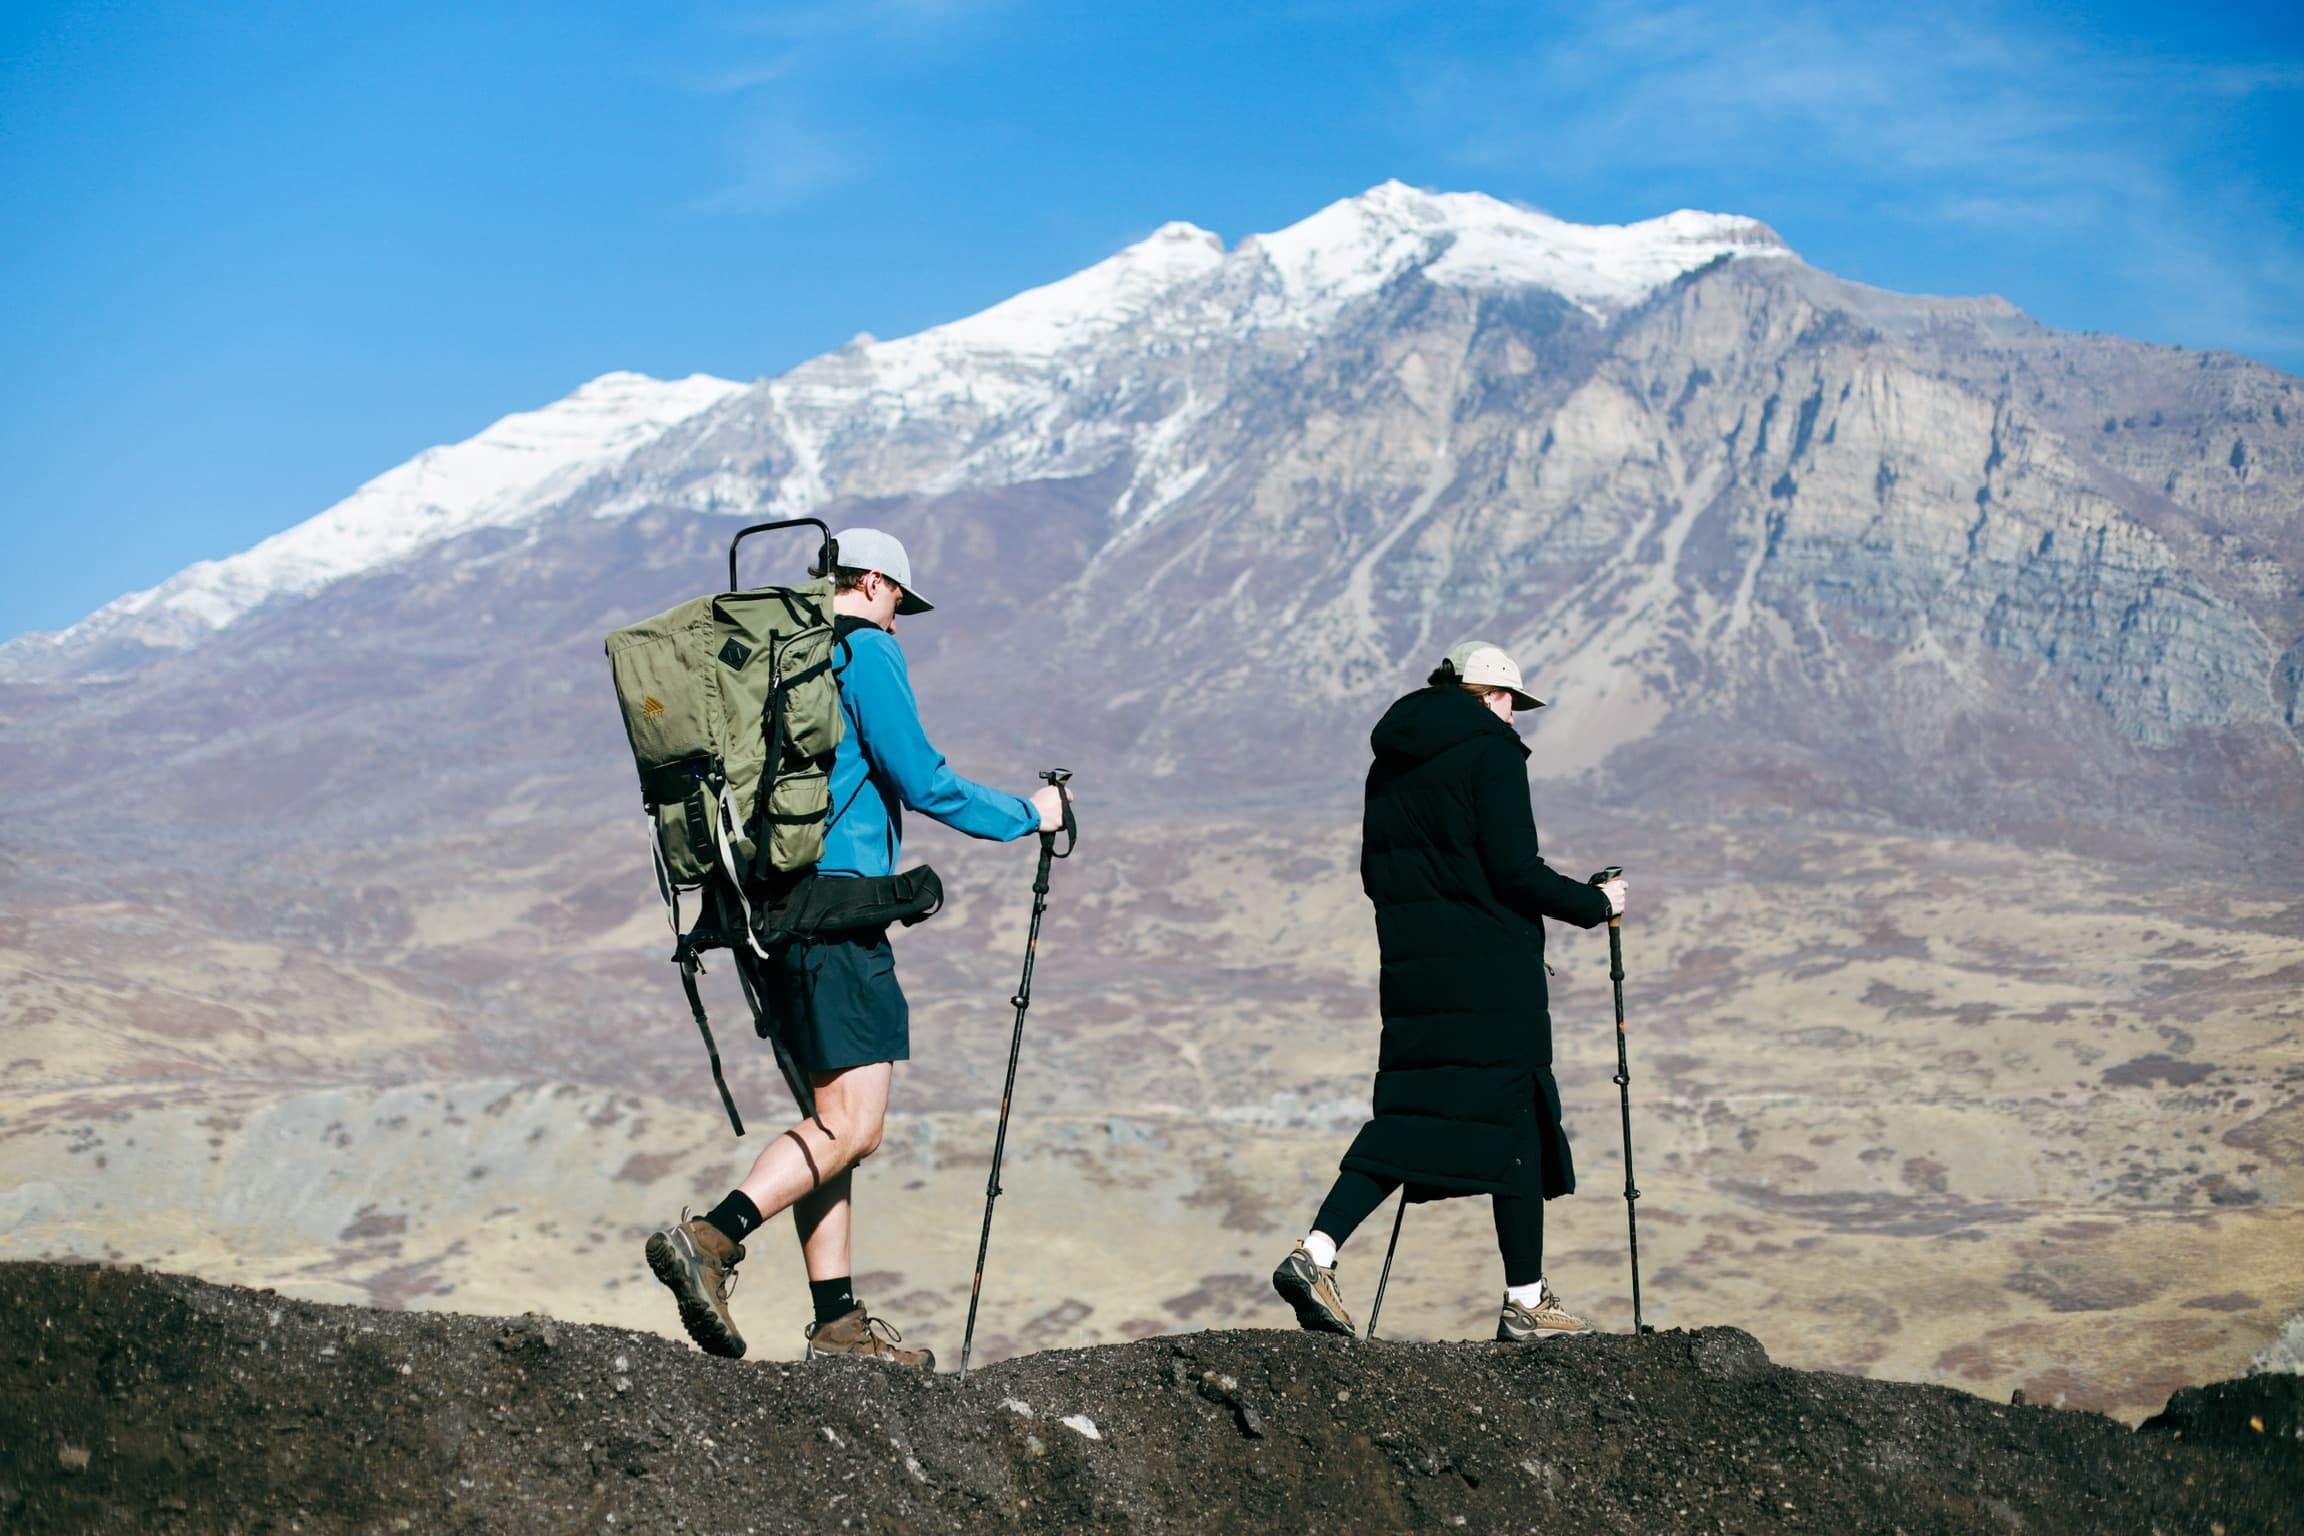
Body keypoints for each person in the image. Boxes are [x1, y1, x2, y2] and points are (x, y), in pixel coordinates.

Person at [645, 527, 1068, 1368]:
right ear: (872, 582)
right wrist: (1031, 815)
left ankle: (837, 1327)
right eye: (899, 603)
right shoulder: (862, 650)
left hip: (764, 912)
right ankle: (711, 1236)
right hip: (835, 915)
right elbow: (922, 778)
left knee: (826, 1123)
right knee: (856, 1128)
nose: (900, 622)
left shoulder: (774, 656)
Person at [1273, 639, 1627, 1343]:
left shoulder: (1393, 760)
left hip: (1413, 971)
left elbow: (1386, 872)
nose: (1516, 719)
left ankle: (1316, 1253)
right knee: (1518, 1117)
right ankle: (1524, 1304)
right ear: (1490, 697)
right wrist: (1598, 903)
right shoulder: (1492, 754)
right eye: (1512, 704)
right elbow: (1513, 868)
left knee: (1414, 1120)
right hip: (1490, 973)